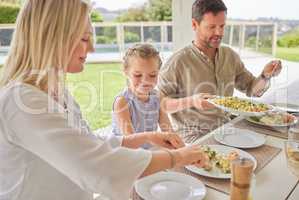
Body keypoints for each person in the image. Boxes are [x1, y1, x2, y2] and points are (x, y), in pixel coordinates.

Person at [0, 1, 209, 200]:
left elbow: (87, 143)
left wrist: (149, 136)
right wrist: (179, 157)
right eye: (83, 38)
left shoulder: (58, 92)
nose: (91, 48)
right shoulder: (21, 101)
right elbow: (97, 167)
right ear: (51, 37)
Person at [158, 0, 282, 138]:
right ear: (194, 24)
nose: (219, 32)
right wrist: (192, 101)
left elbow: (251, 89)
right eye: (211, 27)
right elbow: (160, 104)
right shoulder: (178, 62)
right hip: (194, 136)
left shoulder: (230, 55)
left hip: (226, 128)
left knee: (272, 141)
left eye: (222, 26)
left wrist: (265, 76)